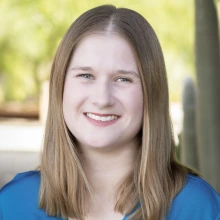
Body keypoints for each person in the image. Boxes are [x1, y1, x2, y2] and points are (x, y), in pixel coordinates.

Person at [0, 4, 220, 220]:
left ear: (151, 93)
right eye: (86, 75)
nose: (102, 99)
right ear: (60, 86)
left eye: (123, 79)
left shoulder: (197, 208)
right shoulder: (14, 204)